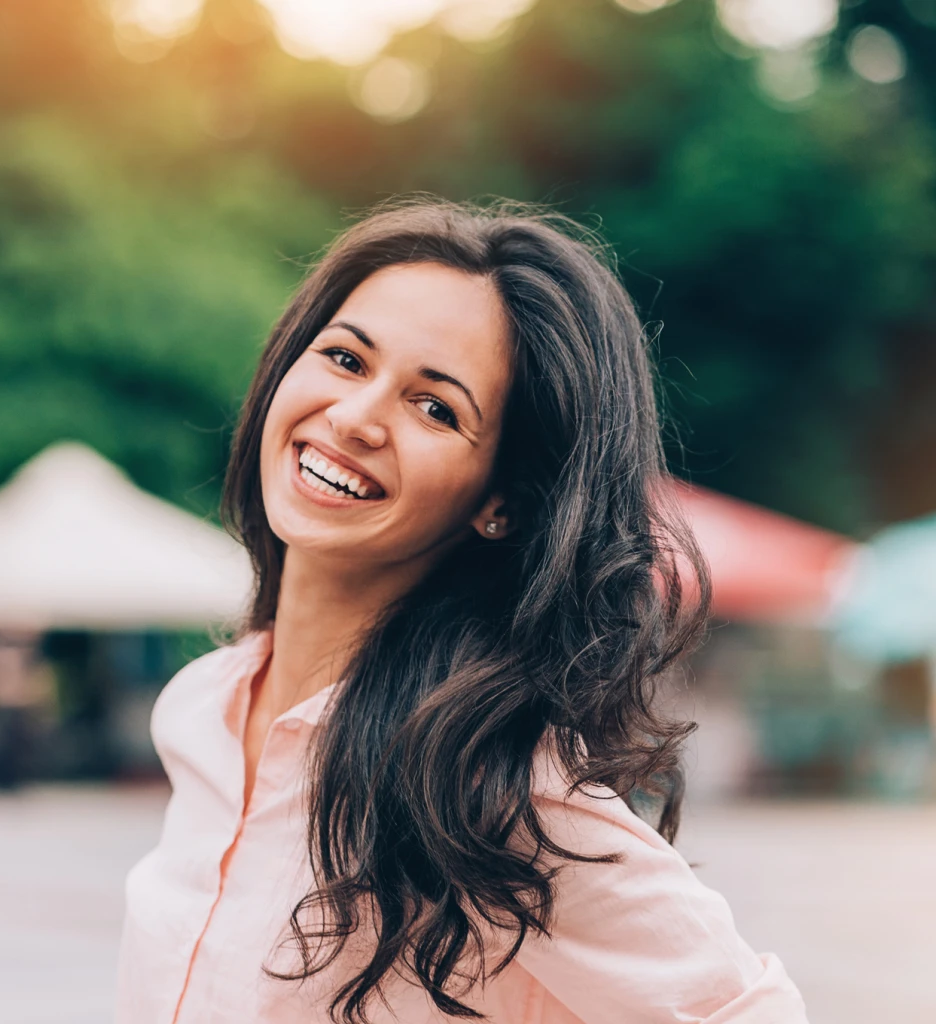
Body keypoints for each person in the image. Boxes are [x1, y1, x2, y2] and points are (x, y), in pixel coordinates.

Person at [115, 199, 808, 1023]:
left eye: (435, 407)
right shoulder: (203, 707)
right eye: (343, 358)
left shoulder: (491, 788)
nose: (355, 417)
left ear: (503, 502)